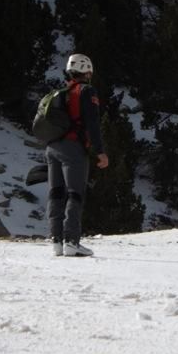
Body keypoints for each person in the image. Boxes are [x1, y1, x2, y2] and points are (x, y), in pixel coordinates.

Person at [46, 54, 109, 257]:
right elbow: (92, 124)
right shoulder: (86, 90)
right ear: (87, 72)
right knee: (75, 193)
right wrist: (100, 152)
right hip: (72, 149)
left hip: (52, 147)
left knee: (55, 193)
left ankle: (56, 241)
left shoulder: (59, 93)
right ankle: (71, 241)